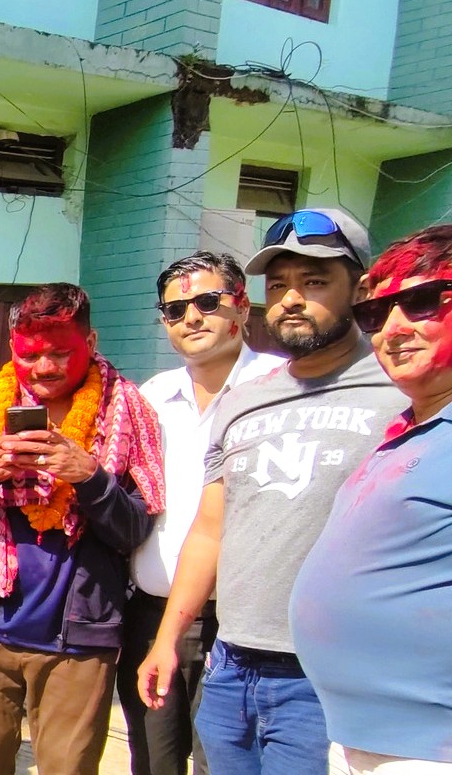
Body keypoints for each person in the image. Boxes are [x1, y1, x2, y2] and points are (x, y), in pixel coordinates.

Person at [135, 209, 402, 775]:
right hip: (232, 665)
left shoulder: (399, 389)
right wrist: (167, 639)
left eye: (315, 281)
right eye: (278, 284)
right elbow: (208, 531)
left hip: (331, 674)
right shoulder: (248, 399)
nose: (292, 299)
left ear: (361, 287)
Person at [0, 282, 165, 775]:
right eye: (30, 354)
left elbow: (134, 532)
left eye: (61, 353)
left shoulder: (128, 412)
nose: (44, 368)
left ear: (92, 342)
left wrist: (88, 476)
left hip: (79, 646)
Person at [293, 224, 452, 772]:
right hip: (364, 740)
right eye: (375, 315)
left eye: (422, 301)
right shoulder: (411, 429)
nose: (393, 329)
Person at [123, 254, 281, 775]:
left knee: (228, 765)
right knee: (153, 762)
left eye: (207, 302)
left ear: (241, 305)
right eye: (175, 309)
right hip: (153, 619)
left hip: (243, 628)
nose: (192, 317)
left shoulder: (281, 391)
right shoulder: (152, 399)